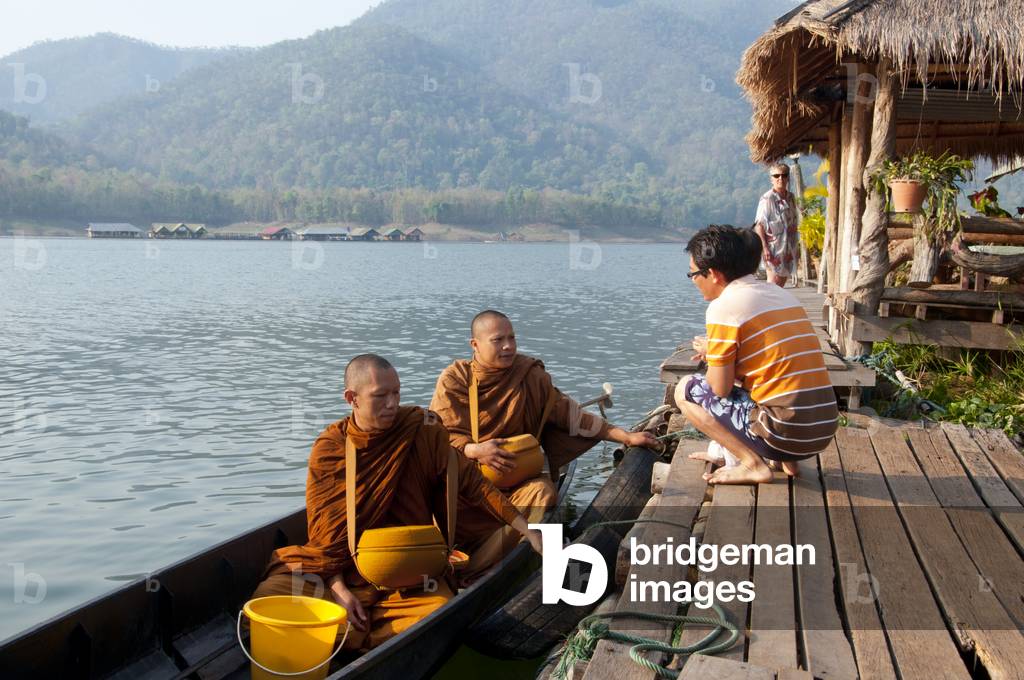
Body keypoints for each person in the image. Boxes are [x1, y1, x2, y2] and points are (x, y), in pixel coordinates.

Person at [249, 354, 542, 651]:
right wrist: (340, 591)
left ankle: (352, 634)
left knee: (437, 609)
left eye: (396, 393)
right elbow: (324, 536)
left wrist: (529, 531)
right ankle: (358, 628)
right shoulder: (331, 448)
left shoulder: (420, 430)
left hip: (408, 574)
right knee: (267, 595)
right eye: (380, 396)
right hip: (343, 571)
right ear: (352, 398)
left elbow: (473, 483)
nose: (392, 404)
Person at [430, 310, 658, 576]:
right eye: (498, 340)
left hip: (517, 485)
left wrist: (626, 437)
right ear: (475, 345)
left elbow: (570, 415)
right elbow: (438, 435)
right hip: (469, 491)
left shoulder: (528, 375)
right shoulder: (455, 379)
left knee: (544, 492)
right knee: (438, 505)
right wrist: (474, 450)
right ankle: (455, 562)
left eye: (512, 338)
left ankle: (480, 568)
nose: (508, 346)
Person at [675, 225, 838, 485]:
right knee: (773, 379)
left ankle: (752, 465)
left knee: (686, 389)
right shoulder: (782, 295)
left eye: (693, 274)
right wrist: (716, 352)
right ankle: (789, 462)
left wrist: (714, 356)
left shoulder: (723, 307)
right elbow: (769, 362)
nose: (693, 280)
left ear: (714, 274)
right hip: (822, 430)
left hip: (785, 432)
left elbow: (719, 388)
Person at [754, 162, 800, 287]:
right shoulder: (767, 199)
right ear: (771, 179)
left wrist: (797, 248)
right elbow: (759, 225)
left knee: (780, 285)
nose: (780, 178)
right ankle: (767, 306)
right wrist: (764, 248)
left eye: (784, 175)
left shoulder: (791, 197)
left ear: (788, 178)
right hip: (773, 250)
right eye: (776, 176)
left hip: (789, 250)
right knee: (773, 286)